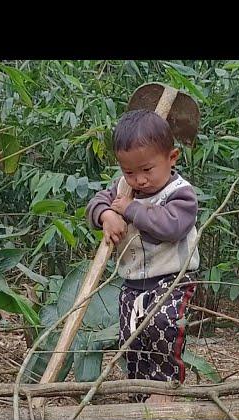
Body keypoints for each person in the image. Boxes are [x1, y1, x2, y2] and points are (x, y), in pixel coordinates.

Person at [86, 109, 200, 403]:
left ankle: (165, 390)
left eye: (147, 170)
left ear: (172, 158)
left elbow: (170, 226)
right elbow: (96, 202)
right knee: (130, 336)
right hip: (133, 280)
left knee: (162, 325)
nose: (139, 180)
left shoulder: (181, 193)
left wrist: (130, 209)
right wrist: (107, 214)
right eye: (129, 172)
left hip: (172, 277)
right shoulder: (124, 189)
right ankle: (139, 392)